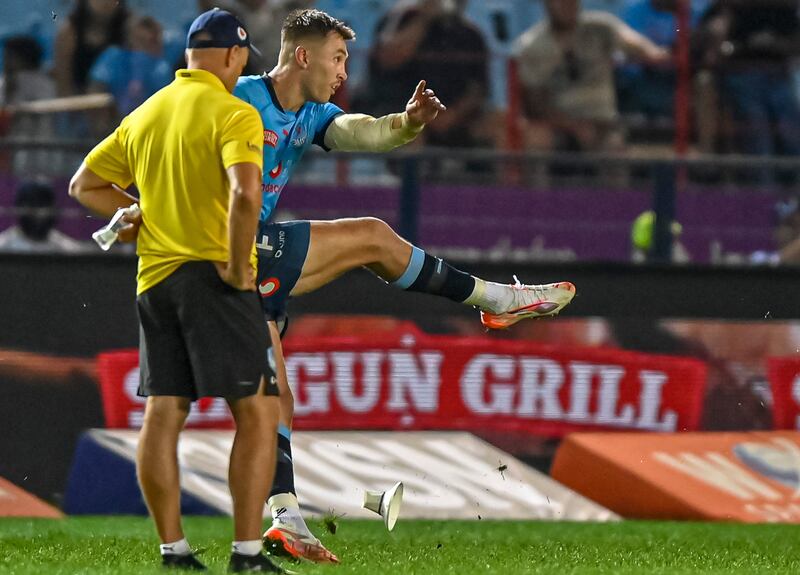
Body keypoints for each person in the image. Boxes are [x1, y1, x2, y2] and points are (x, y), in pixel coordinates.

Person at [231, 7, 576, 563]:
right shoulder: (239, 98)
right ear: (302, 55)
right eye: (337, 57)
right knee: (371, 237)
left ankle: (283, 518)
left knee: (275, 396)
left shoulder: (312, 112)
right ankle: (497, 299)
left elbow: (357, 131)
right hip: (217, 250)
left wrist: (408, 122)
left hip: (246, 257)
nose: (344, 70)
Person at [68, 9, 284, 573]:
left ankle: (174, 551)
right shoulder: (234, 114)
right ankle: (246, 553)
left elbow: (84, 184)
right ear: (235, 55)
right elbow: (245, 194)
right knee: (260, 410)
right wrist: (240, 267)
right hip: (213, 274)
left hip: (154, 281)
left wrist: (135, 212)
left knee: (164, 413)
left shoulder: (146, 113)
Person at [513, 0, 669, 156]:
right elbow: (534, 104)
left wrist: (658, 54)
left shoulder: (601, 28)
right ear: (547, 4)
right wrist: (572, 126)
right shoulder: (532, 44)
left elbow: (642, 48)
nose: (567, 6)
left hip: (602, 122)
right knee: (537, 141)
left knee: (613, 146)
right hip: (556, 122)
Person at [354, 0, 490, 150]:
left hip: (452, 115)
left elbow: (478, 88)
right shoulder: (401, 18)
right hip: (399, 107)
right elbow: (389, 58)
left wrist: (454, 114)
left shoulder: (469, 33)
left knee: (499, 125)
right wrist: (424, 19)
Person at [88, 15, 173, 118]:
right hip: (113, 121)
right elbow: (95, 89)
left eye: (152, 41)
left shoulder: (161, 68)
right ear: (129, 38)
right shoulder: (112, 57)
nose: (142, 48)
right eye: (140, 40)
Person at [0, 181, 85, 253]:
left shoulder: (67, 249)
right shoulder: (4, 245)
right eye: (32, 205)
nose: (38, 213)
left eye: (42, 205)